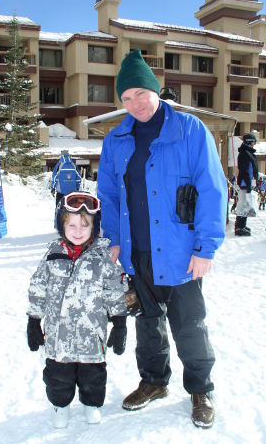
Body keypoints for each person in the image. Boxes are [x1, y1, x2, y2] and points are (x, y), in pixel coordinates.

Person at [97, 50, 228, 429]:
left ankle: (201, 388)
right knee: (147, 322)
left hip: (181, 251)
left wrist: (206, 247)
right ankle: (154, 381)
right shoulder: (116, 140)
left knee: (189, 324)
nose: (135, 103)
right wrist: (115, 240)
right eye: (126, 97)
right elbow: (109, 195)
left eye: (141, 93)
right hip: (137, 250)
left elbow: (212, 189)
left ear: (155, 91)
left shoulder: (189, 129)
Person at [26, 192, 127, 429]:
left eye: (85, 225)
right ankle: (60, 407)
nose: (78, 230)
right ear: (61, 225)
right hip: (58, 338)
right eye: (71, 224)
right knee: (58, 377)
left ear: (95, 226)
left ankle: (92, 405)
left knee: (93, 377)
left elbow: (114, 290)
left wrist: (120, 322)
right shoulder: (53, 254)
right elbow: (38, 287)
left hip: (92, 337)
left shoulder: (102, 257)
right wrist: (33, 320)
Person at [234, 133, 258, 236]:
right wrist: (248, 184)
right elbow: (245, 170)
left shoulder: (247, 152)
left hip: (247, 182)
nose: (254, 144)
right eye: (253, 142)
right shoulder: (245, 153)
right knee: (243, 205)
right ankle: (239, 227)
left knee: (246, 204)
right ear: (249, 142)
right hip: (245, 183)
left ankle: (242, 225)